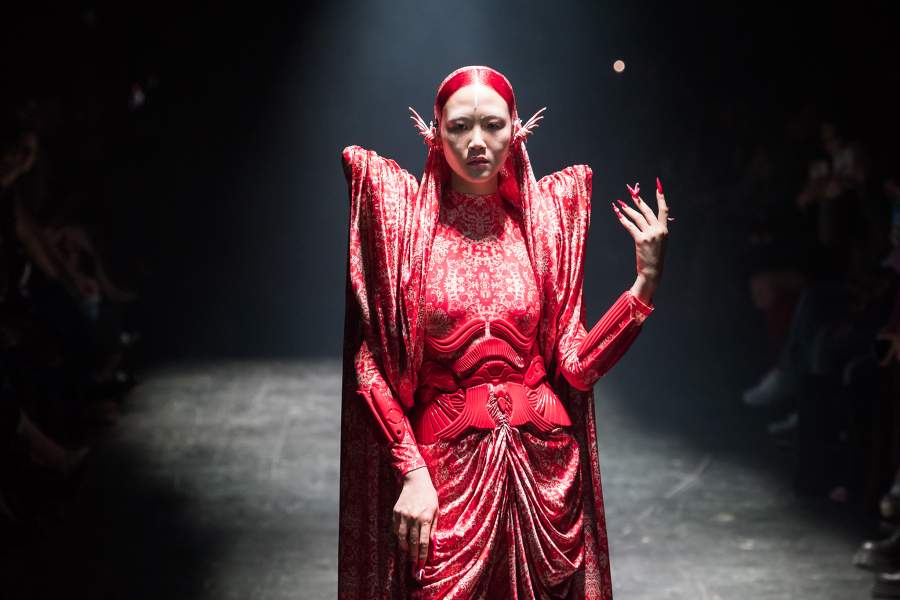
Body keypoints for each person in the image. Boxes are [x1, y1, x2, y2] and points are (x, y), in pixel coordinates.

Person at [338, 65, 670, 599]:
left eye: (492, 125)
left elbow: (577, 367)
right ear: (434, 131)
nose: (476, 142)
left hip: (544, 476)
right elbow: (369, 363)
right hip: (446, 486)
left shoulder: (540, 231)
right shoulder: (407, 235)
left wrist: (644, 283)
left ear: (517, 129)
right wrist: (412, 471)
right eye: (459, 127)